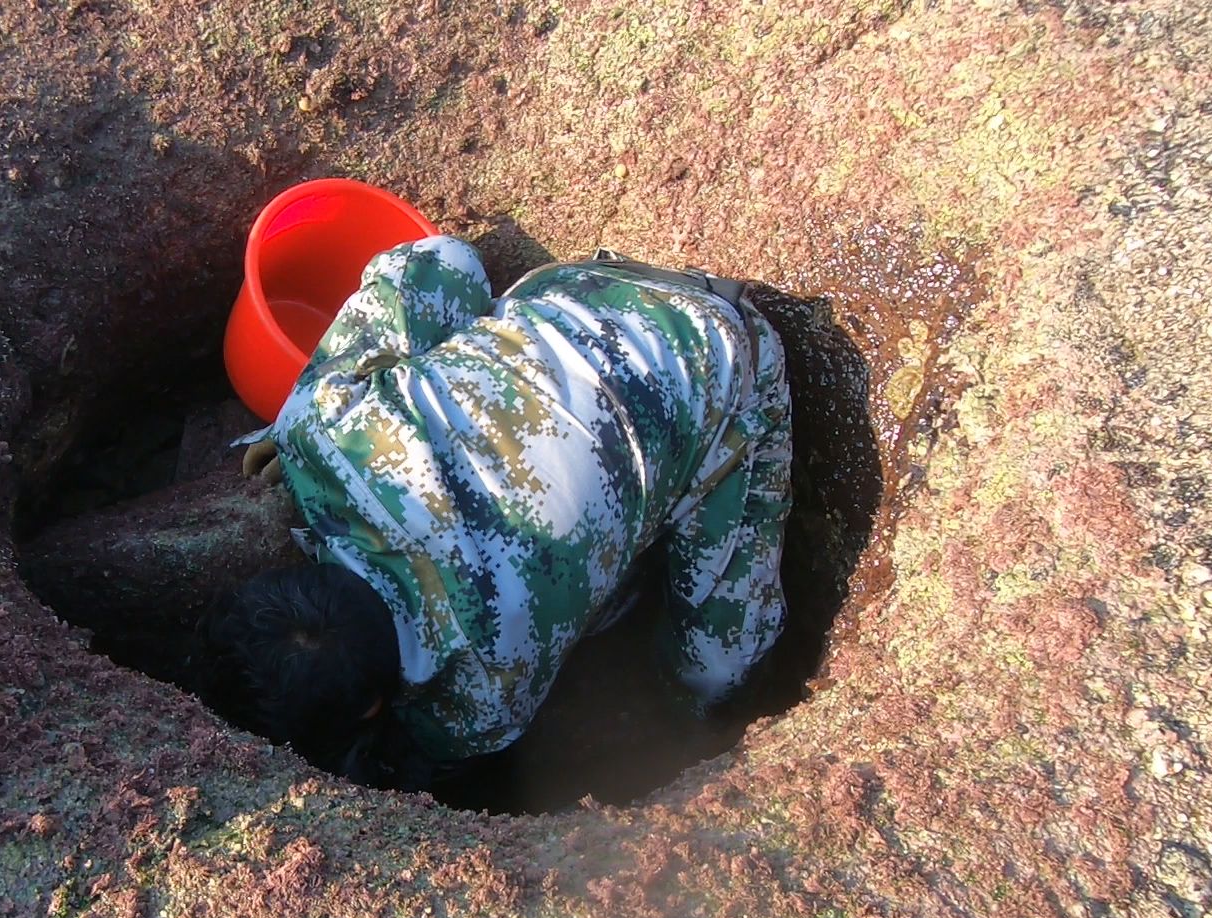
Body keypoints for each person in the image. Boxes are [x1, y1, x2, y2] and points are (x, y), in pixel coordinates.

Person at [196, 235, 791, 789]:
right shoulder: (320, 425)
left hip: (730, 369)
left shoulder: (484, 694)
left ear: (372, 709)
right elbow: (444, 259)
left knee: (715, 675)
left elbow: (438, 763)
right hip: (585, 293)